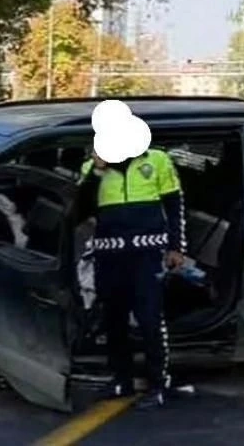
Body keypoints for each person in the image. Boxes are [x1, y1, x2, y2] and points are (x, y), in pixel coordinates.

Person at [77, 139, 187, 410]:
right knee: (113, 321)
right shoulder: (91, 167)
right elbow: (79, 210)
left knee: (150, 320)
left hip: (146, 258)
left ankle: (158, 384)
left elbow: (175, 205)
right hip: (109, 258)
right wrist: (97, 172)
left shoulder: (157, 159)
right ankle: (121, 380)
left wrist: (176, 247)